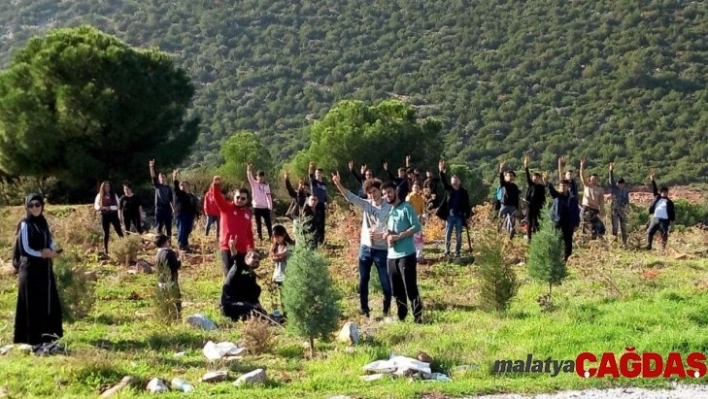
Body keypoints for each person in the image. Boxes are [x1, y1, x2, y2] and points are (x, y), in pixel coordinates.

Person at [332, 172, 393, 319]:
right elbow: (350, 197)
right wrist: (338, 184)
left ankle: (386, 310)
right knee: (363, 281)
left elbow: (393, 227)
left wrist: (382, 234)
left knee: (385, 281)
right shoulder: (366, 205)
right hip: (365, 249)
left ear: (380, 190)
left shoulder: (389, 207)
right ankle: (364, 310)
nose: (372, 195)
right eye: (369, 193)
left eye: (374, 191)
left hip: (381, 249)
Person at [13, 194, 64, 347]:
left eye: (38, 204)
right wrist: (43, 254)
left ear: (42, 205)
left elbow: (49, 240)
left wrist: (55, 250)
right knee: (32, 303)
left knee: (46, 301)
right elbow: (25, 248)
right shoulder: (25, 224)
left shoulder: (43, 222)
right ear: (27, 207)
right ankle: (32, 339)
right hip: (29, 269)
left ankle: (48, 336)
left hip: (44, 269)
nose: (35, 208)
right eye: (31, 205)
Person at [381, 181, 424, 323]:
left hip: (406, 254)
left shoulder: (406, 208)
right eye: (385, 193)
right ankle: (402, 316)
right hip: (391, 256)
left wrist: (399, 236)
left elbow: (416, 226)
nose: (387, 195)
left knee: (410, 287)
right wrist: (386, 235)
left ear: (395, 192)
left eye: (389, 192)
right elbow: (389, 230)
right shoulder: (389, 211)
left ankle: (418, 317)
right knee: (396, 289)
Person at [209, 176, 255, 276]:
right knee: (229, 274)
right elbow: (217, 198)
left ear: (247, 200)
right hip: (226, 247)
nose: (239, 200)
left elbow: (249, 233)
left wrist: (251, 247)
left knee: (241, 274)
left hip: (242, 249)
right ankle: (227, 291)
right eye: (237, 197)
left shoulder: (247, 213)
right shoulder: (226, 207)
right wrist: (216, 185)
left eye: (243, 198)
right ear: (234, 197)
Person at [221, 243, 266, 322]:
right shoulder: (239, 266)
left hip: (242, 303)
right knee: (252, 309)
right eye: (254, 257)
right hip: (229, 305)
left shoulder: (251, 275)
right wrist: (232, 247)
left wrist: (260, 308)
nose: (257, 260)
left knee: (260, 312)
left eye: (258, 259)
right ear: (247, 259)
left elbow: (253, 297)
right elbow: (236, 256)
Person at [436, 160, 471, 259]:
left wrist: (468, 216)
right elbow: (443, 182)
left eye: (456, 179)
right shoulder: (449, 189)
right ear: (451, 182)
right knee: (448, 234)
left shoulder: (464, 192)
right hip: (450, 216)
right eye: (453, 179)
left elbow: (467, 205)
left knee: (459, 234)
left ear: (459, 181)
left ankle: (457, 251)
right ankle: (447, 251)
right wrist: (441, 172)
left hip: (459, 216)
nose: (455, 181)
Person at [543, 173, 580, 262]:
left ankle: (568, 259)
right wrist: (547, 182)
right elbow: (551, 190)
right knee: (557, 240)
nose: (562, 187)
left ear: (568, 187)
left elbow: (576, 212)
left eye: (564, 186)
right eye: (561, 185)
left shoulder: (572, 198)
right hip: (558, 222)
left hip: (568, 222)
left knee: (568, 241)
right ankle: (555, 258)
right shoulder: (557, 195)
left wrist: (576, 223)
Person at [154, 234, 182, 318]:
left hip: (161, 283)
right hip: (171, 283)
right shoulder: (169, 252)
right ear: (164, 243)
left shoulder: (157, 254)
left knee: (165, 304)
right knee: (176, 302)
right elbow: (174, 266)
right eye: (167, 241)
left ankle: (166, 318)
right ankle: (177, 319)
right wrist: (179, 261)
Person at [94, 181, 124, 255]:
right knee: (106, 232)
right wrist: (101, 208)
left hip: (113, 215)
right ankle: (106, 249)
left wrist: (110, 207)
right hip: (104, 215)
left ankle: (124, 245)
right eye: (106, 186)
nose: (107, 188)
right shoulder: (99, 196)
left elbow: (118, 206)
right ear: (103, 187)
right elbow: (96, 206)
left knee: (119, 231)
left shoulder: (114, 195)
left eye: (108, 186)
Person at [646, 172, 675, 250]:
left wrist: (672, 224)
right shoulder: (657, 197)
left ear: (667, 193)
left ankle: (663, 248)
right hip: (655, 218)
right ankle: (649, 246)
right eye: (662, 192)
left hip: (664, 220)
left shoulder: (669, 202)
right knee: (650, 232)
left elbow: (672, 213)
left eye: (665, 192)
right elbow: (654, 188)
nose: (664, 193)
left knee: (664, 233)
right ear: (661, 192)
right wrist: (652, 179)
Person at [172, 170, 198, 252]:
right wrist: (174, 177)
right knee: (181, 230)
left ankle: (185, 245)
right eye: (181, 185)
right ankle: (181, 246)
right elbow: (175, 185)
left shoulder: (191, 196)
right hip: (180, 215)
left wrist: (196, 216)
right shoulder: (178, 193)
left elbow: (194, 206)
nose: (183, 186)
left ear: (188, 187)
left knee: (187, 230)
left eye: (185, 185)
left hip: (189, 216)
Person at [579, 159, 606, 239]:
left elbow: (601, 202)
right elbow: (582, 177)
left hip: (595, 209)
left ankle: (594, 240)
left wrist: (602, 210)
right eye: (592, 179)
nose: (594, 180)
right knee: (585, 224)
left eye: (595, 179)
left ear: (598, 180)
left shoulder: (600, 189)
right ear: (590, 179)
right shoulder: (587, 185)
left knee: (598, 226)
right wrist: (581, 166)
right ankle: (584, 239)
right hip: (586, 207)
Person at [247, 163, 273, 241]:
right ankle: (260, 237)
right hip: (256, 207)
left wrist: (270, 207)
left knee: (268, 223)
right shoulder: (254, 184)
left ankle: (271, 236)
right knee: (258, 223)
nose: (260, 178)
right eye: (259, 177)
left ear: (264, 177)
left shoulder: (266, 186)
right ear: (257, 177)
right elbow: (250, 177)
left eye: (262, 177)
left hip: (265, 207)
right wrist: (249, 169)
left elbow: (269, 197)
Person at [149, 160, 174, 237]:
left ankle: (169, 243)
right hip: (159, 209)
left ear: (166, 178)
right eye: (160, 177)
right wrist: (151, 167)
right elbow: (153, 176)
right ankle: (159, 244)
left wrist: (173, 210)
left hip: (167, 209)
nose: (161, 179)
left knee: (168, 228)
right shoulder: (157, 186)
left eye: (163, 177)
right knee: (159, 228)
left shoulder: (169, 188)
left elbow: (171, 200)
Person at [523, 156, 546, 241]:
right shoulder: (531, 184)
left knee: (536, 223)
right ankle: (529, 238)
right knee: (529, 222)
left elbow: (543, 197)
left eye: (537, 177)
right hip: (529, 205)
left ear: (539, 179)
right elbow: (527, 176)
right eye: (534, 177)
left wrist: (543, 206)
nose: (535, 178)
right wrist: (526, 166)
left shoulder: (541, 187)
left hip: (538, 207)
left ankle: (537, 237)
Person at [608, 162, 630, 246]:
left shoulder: (625, 191)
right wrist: (611, 170)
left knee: (624, 228)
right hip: (614, 210)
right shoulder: (614, 188)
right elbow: (611, 180)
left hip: (623, 210)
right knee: (615, 227)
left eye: (621, 184)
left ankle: (625, 243)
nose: (620, 185)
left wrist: (627, 209)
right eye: (619, 184)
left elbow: (627, 201)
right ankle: (615, 243)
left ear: (623, 184)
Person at [498, 162, 520, 239]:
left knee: (512, 224)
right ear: (506, 177)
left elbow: (517, 198)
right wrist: (501, 169)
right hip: (504, 205)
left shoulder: (515, 187)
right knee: (500, 221)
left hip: (513, 207)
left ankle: (510, 239)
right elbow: (501, 178)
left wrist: (517, 208)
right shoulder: (504, 184)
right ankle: (498, 235)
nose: (510, 177)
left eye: (511, 175)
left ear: (514, 177)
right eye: (508, 175)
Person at [406, 182, 426, 261]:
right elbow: (407, 209)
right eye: (415, 188)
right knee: (410, 238)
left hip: (418, 220)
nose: (416, 189)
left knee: (418, 238)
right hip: (410, 220)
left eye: (418, 188)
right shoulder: (409, 197)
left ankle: (419, 255)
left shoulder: (420, 198)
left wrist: (423, 217)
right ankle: (410, 254)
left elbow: (422, 209)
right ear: (412, 188)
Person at [308, 161, 328, 243]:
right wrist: (310, 168)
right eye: (317, 173)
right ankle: (315, 239)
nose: (318, 174)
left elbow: (325, 194)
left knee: (322, 222)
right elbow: (310, 176)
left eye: (320, 173)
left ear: (322, 174)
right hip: (315, 204)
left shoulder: (324, 184)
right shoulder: (314, 182)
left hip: (322, 204)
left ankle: (322, 240)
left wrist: (326, 202)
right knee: (315, 221)